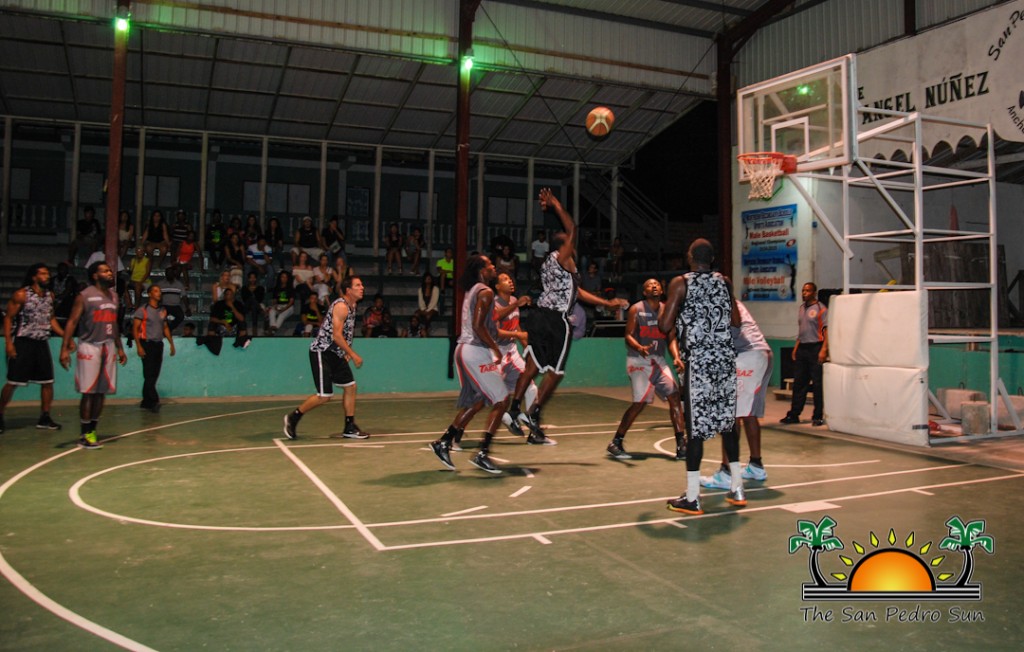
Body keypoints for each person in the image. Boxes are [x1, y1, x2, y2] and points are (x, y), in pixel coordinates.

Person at [504, 188, 628, 445]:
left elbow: (578, 292)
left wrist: (606, 302)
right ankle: (533, 412)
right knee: (556, 372)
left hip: (538, 316)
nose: (573, 243)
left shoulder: (552, 265)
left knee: (532, 367)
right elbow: (572, 228)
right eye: (570, 242)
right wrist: (556, 204)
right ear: (565, 245)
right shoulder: (563, 257)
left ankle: (514, 410)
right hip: (555, 319)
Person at [658, 239, 741, 516]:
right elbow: (736, 321)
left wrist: (672, 307)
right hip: (725, 360)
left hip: (700, 362)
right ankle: (737, 488)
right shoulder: (725, 282)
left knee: (695, 429)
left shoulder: (681, 283)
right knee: (728, 423)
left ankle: (693, 497)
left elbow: (664, 325)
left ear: (690, 256)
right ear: (712, 259)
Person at [429, 255, 508, 474]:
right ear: (482, 270)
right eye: (490, 264)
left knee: (479, 401)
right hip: (475, 351)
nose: (494, 266)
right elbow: (478, 326)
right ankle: (483, 453)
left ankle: (444, 441)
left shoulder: (472, 290)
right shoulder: (486, 292)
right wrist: (495, 348)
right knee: (502, 400)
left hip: (465, 349)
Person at [607, 278, 687, 461]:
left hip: (658, 361)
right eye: (650, 285)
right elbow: (628, 335)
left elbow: (671, 337)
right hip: (638, 360)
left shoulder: (668, 309)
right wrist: (639, 347)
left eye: (657, 284)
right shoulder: (636, 309)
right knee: (640, 402)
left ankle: (681, 444)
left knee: (675, 396)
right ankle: (616, 442)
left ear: (662, 290)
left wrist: (676, 357)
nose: (654, 286)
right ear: (644, 292)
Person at [283, 275, 369, 440]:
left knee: (350, 387)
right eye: (358, 285)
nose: (362, 288)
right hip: (322, 352)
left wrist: (346, 351)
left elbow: (347, 332)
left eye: (362, 285)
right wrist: (353, 354)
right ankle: (293, 417)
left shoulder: (353, 305)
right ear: (348, 290)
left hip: (336, 354)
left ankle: (349, 427)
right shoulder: (341, 306)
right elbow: (337, 335)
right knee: (324, 396)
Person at [703, 299, 774, 490]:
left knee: (730, 414)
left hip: (748, 356)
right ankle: (756, 465)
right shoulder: (725, 299)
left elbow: (729, 332)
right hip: (759, 353)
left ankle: (726, 473)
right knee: (747, 413)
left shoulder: (718, 300)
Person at [59, 261, 128, 450]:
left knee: (101, 392)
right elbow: (72, 321)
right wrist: (64, 348)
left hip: (108, 346)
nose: (110, 273)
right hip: (89, 346)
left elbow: (114, 324)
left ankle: (92, 430)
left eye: (110, 270)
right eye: (105, 271)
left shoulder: (114, 296)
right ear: (95, 275)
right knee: (88, 392)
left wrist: (120, 347)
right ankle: (84, 433)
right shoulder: (85, 296)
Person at [0, 263, 65, 434]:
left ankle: (45, 417)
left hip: (41, 342)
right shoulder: (22, 295)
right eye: (43, 274)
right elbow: (8, 318)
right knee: (13, 382)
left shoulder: (50, 295)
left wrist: (65, 335)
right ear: (34, 277)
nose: (47, 276)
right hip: (23, 342)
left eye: (47, 273)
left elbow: (51, 319)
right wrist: (9, 343)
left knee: (47, 382)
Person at [491, 272, 538, 441]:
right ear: (497, 286)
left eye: (510, 279)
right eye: (505, 280)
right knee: (491, 397)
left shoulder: (513, 301)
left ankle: (534, 431)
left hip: (511, 351)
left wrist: (527, 347)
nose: (510, 281)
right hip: (494, 352)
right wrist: (517, 304)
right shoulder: (493, 303)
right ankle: (506, 418)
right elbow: (495, 330)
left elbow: (516, 325)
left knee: (530, 387)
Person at [780, 282, 828, 427]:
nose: (804, 293)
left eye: (807, 291)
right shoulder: (801, 308)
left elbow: (826, 331)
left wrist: (824, 349)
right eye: (803, 290)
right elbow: (802, 330)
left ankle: (817, 416)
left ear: (814, 292)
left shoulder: (821, 308)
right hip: (803, 347)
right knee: (799, 383)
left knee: (817, 384)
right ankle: (794, 414)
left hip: (816, 347)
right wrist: (796, 348)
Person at [132, 285, 176, 413]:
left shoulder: (162, 310)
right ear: (150, 294)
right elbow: (135, 329)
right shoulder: (142, 310)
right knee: (149, 374)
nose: (159, 293)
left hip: (158, 344)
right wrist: (139, 346)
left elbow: (165, 327)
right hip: (147, 344)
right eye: (156, 291)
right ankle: (154, 400)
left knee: (153, 374)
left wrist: (171, 343)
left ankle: (146, 402)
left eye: (160, 291)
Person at [156, 264, 190, 333]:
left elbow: (184, 296)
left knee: (180, 316)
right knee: (159, 317)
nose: (169, 274)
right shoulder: (160, 284)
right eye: (167, 273)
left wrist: (187, 308)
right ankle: (164, 330)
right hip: (164, 305)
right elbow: (156, 296)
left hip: (175, 306)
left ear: (173, 273)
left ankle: (169, 328)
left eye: (171, 272)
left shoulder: (179, 284)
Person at [266, 271, 295, 335]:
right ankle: (273, 327)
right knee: (272, 311)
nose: (284, 279)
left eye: (285, 277)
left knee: (281, 315)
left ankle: (273, 329)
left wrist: (284, 309)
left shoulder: (291, 288)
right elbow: (274, 300)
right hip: (279, 305)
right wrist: (275, 306)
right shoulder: (276, 288)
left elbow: (291, 301)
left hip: (288, 307)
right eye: (282, 277)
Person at [239, 271, 266, 336]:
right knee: (252, 300)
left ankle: (254, 328)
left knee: (254, 306)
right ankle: (260, 310)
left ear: (256, 279)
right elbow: (244, 299)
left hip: (256, 305)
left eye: (254, 278)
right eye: (251, 278)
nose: (252, 279)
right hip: (247, 305)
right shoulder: (244, 288)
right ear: (248, 279)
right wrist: (252, 299)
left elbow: (260, 299)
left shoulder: (260, 288)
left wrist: (253, 300)